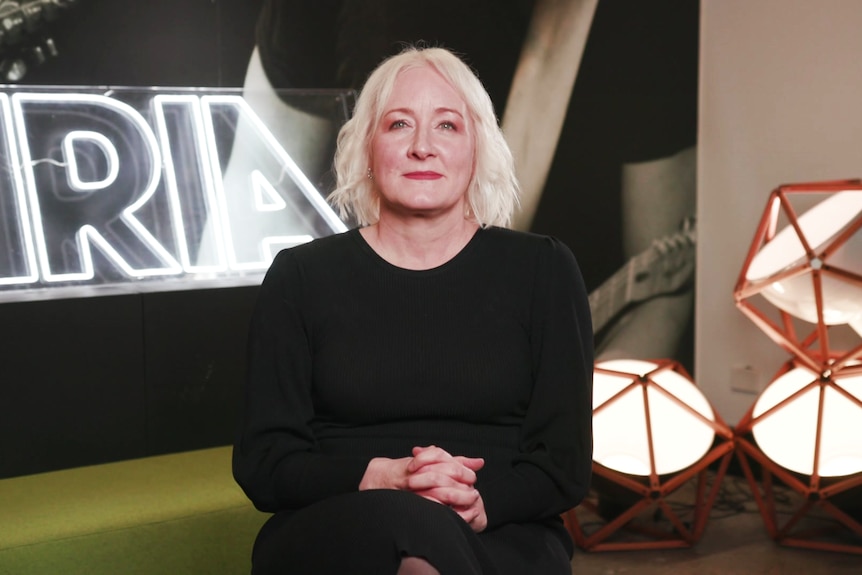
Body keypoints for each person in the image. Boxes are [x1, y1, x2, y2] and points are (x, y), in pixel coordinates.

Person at [232, 46, 594, 574]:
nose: (423, 147)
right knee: (413, 538)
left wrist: (476, 503)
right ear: (367, 147)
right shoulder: (300, 277)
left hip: (499, 523)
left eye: (447, 126)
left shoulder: (543, 269)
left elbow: (563, 464)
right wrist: (387, 477)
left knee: (427, 552)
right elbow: (264, 464)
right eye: (399, 124)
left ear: (478, 148)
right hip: (337, 518)